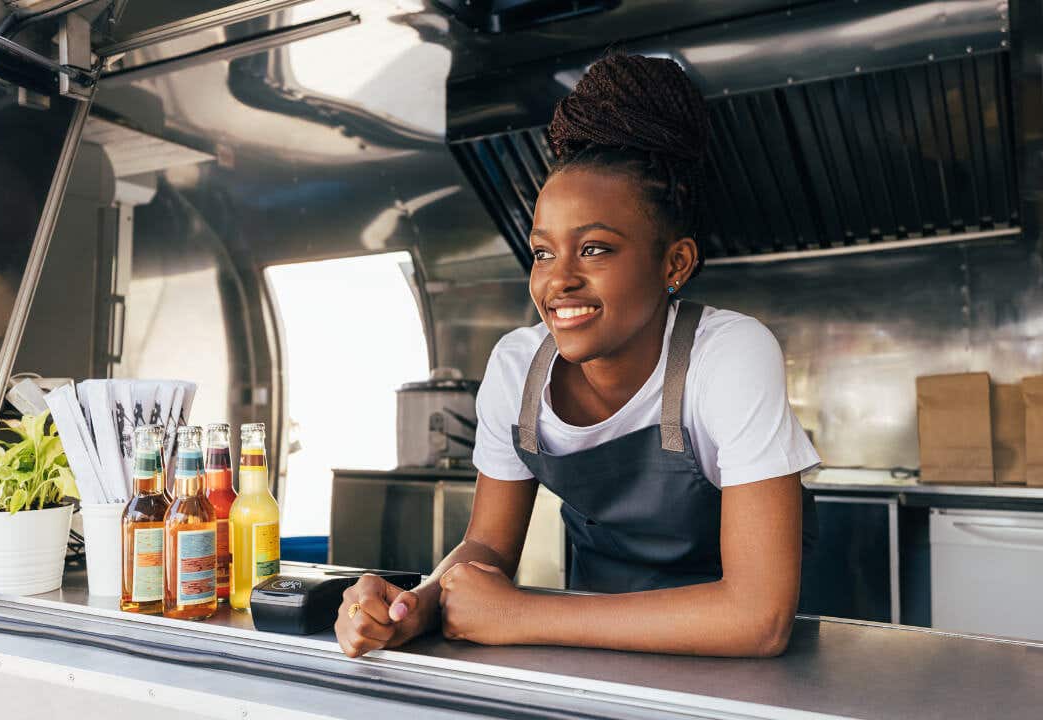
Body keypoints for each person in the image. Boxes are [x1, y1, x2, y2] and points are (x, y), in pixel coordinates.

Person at [335, 53, 819, 658]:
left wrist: (521, 616)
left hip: (744, 668)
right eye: (542, 253)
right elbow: (486, 550)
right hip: (597, 655)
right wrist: (416, 605)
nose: (557, 281)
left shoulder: (728, 356)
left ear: (676, 264)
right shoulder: (518, 368)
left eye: (594, 249)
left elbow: (758, 619)